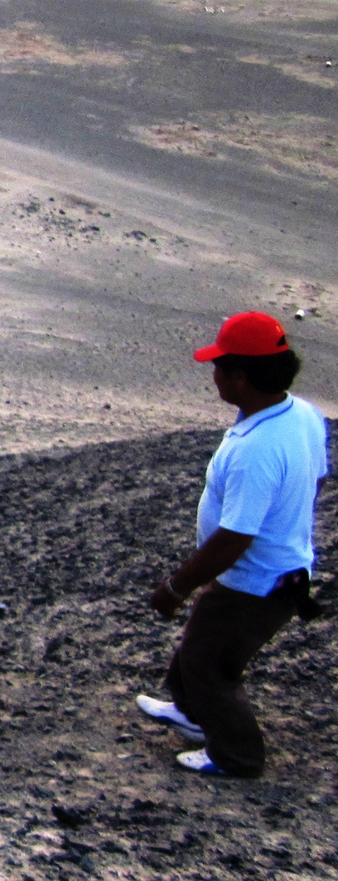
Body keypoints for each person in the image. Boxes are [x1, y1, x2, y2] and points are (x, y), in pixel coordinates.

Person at [135, 312, 325, 777]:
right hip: (275, 570)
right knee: (201, 642)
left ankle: (236, 755)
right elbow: (314, 476)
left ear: (240, 377)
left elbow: (236, 537)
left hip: (257, 581)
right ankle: (190, 713)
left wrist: (176, 587)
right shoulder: (301, 414)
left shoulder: (257, 448)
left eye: (219, 366)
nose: (213, 374)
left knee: (210, 666)